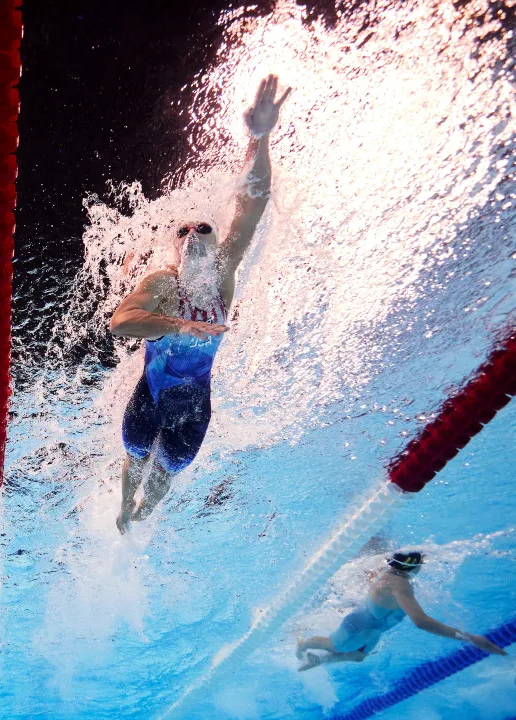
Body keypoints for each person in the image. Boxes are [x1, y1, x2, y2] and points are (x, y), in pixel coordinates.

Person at [110, 75, 290, 533]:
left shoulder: (223, 273)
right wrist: (175, 324)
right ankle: (123, 503)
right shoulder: (163, 284)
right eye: (183, 231)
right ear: (174, 248)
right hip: (150, 395)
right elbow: (122, 322)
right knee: (134, 454)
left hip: (194, 404)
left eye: (202, 230)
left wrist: (261, 138)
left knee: (168, 468)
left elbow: (251, 208)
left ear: (215, 245)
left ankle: (143, 511)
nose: (193, 235)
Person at [297, 552, 507, 670]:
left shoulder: (389, 574)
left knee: (357, 657)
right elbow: (421, 621)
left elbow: (373, 580)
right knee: (333, 645)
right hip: (359, 627)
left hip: (370, 628)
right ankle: (302, 643)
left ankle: (318, 660)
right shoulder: (400, 585)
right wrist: (467, 637)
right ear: (413, 567)